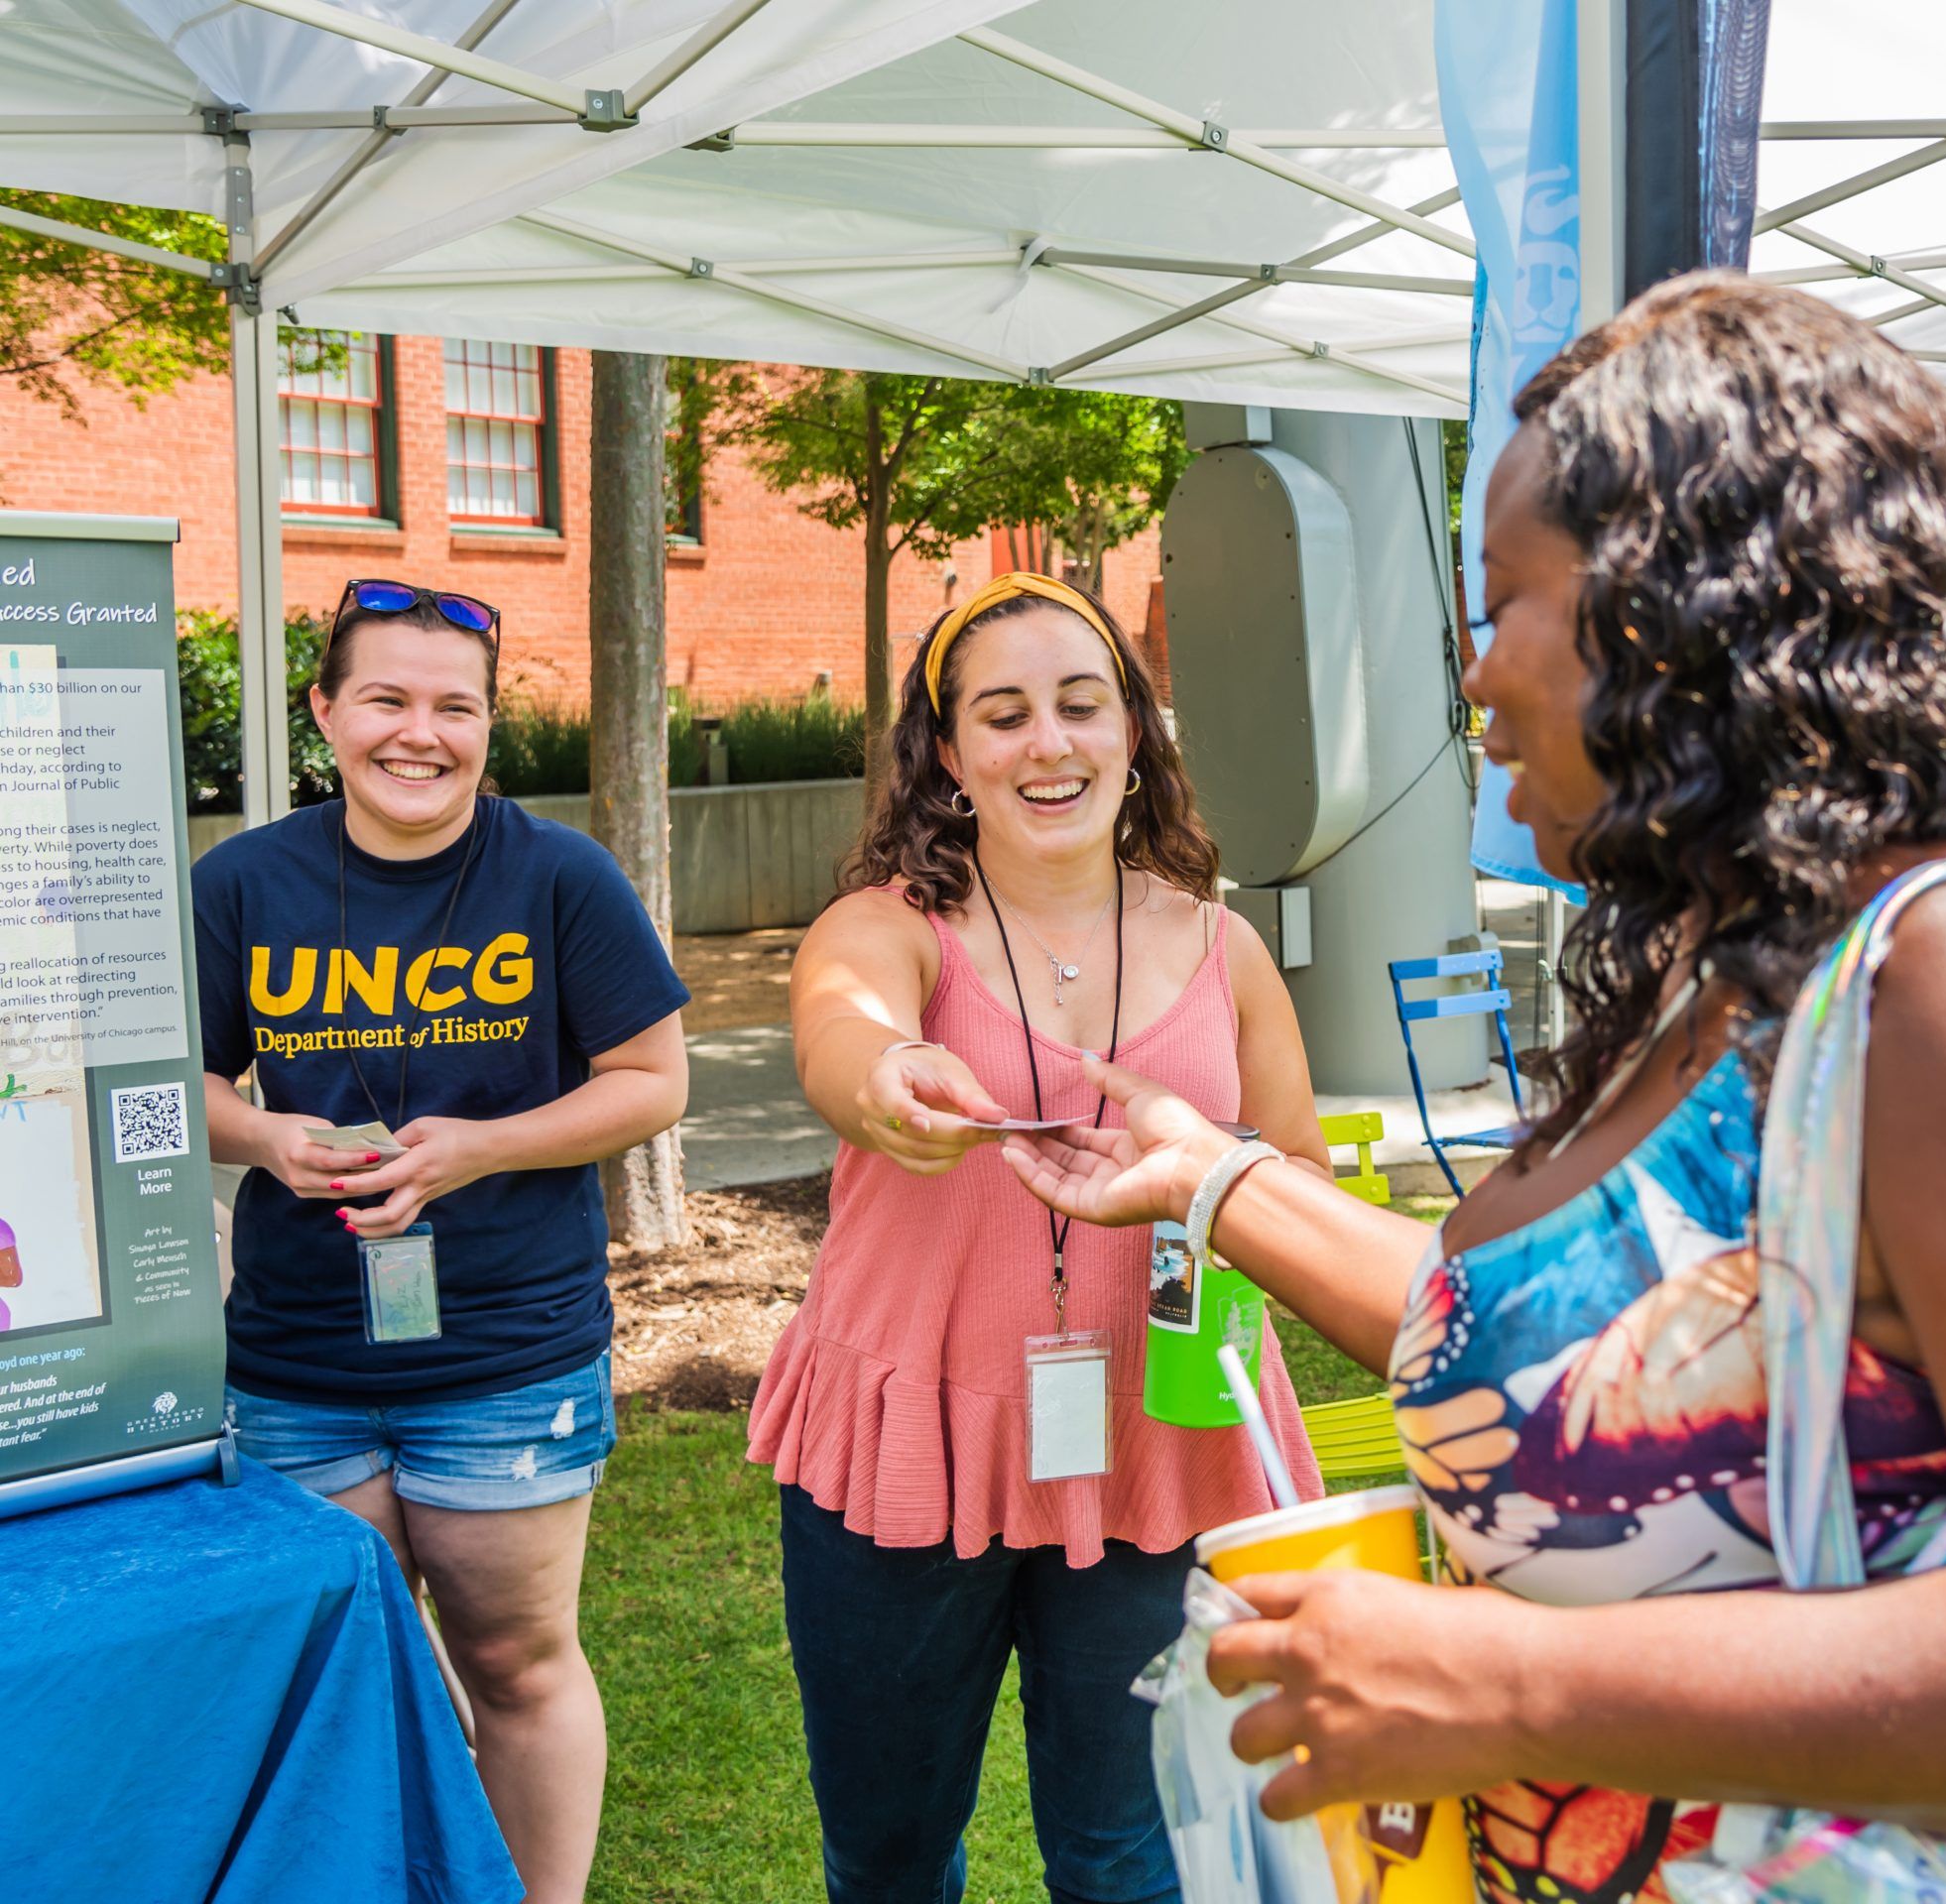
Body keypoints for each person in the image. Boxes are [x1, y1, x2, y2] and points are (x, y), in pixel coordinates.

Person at [1004, 278, 1946, 1904]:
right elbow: (1548, 1348)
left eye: (1504, 598)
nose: (1474, 670)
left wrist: (1501, 1685)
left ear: (1681, 603)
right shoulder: (1721, 974)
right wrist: (1215, 1177)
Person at [752, 570, 1329, 1904]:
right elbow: (843, 1025)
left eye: (1081, 704)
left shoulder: (1224, 946)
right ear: (948, 754)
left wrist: (1215, 1186)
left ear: (1135, 728)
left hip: (1159, 1437)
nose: (1049, 743)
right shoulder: (884, 926)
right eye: (1002, 715)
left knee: (1130, 1852)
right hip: (911, 1443)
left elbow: (1294, 1172)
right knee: (890, 1853)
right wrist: (888, 1078)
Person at [195, 580, 691, 1904]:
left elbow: (651, 1078)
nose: (421, 734)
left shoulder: (558, 876)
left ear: (489, 724)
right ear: (325, 712)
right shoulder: (245, 882)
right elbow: (169, 1087)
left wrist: (477, 1147)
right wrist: (266, 1138)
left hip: (508, 1356)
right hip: (298, 1361)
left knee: (518, 1664)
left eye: (455, 707)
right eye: (388, 699)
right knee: (346, 1678)